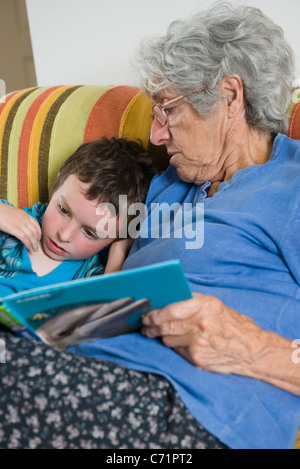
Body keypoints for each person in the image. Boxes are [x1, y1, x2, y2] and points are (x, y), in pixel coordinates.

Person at [0, 3, 299, 450]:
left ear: (231, 97)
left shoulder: (292, 187)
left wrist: (256, 349)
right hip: (77, 370)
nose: (156, 136)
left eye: (168, 111)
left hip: (187, 411)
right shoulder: (161, 187)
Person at [0, 137, 155, 295]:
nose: (64, 235)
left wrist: (119, 250)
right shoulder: (11, 222)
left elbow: (108, 309)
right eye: (63, 210)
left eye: (89, 233)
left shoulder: (89, 275)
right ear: (57, 185)